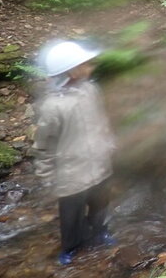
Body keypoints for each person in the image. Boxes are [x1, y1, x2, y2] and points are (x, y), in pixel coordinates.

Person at [33, 40, 116, 266]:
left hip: (99, 163)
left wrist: (108, 143)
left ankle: (100, 232)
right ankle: (71, 246)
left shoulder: (91, 90)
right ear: (71, 71)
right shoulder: (53, 106)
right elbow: (44, 144)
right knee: (71, 216)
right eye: (86, 64)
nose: (92, 67)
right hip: (71, 174)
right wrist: (46, 175)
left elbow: (101, 120)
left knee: (100, 204)